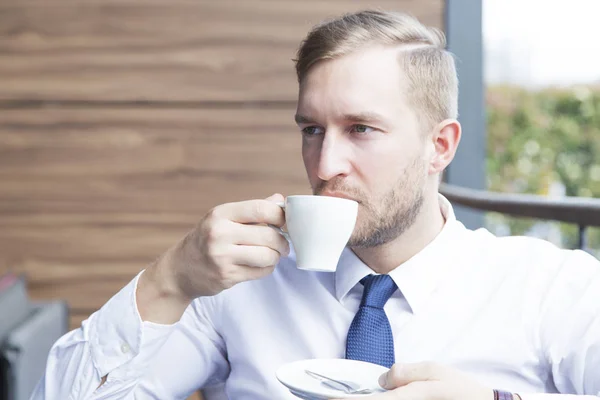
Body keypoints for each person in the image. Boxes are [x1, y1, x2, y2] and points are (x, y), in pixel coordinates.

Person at [33, 10, 600, 400]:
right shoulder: (231, 289)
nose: (325, 165)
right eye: (311, 129)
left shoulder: (552, 289)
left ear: (440, 146)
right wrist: (167, 281)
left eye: (361, 129)